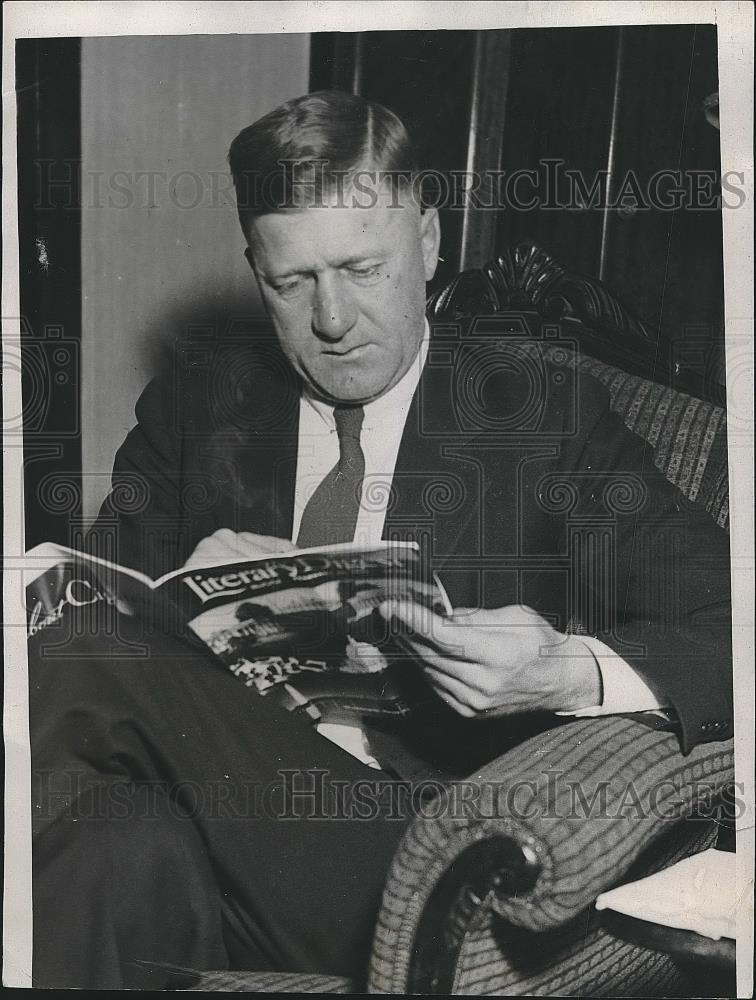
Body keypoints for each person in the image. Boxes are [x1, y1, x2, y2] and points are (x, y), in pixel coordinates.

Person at [30, 91, 733, 988]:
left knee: (76, 655)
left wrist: (566, 668)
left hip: (406, 857)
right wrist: (172, 590)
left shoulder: (543, 419)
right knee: (109, 845)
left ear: (429, 245)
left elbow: (735, 617)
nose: (331, 320)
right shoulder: (194, 410)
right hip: (203, 830)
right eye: (292, 283)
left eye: (363, 269)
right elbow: (109, 611)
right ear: (255, 270)